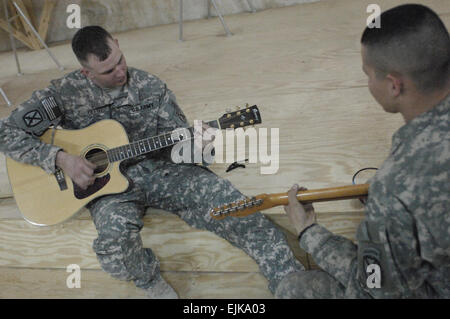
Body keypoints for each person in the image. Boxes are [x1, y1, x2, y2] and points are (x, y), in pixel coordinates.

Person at [0, 26, 303, 298]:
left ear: (118, 44)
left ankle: (291, 281)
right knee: (115, 254)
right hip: (105, 188)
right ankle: (148, 280)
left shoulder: (151, 87)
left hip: (160, 170)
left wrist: (199, 146)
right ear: (86, 74)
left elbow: (178, 149)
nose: (120, 71)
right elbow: (6, 131)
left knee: (238, 208)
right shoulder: (63, 94)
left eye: (120, 59)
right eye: (108, 70)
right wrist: (59, 158)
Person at [275, 4, 449, 298]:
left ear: (394, 85)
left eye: (369, 75)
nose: (368, 84)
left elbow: (374, 289)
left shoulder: (394, 189)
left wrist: (309, 232)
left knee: (294, 289)